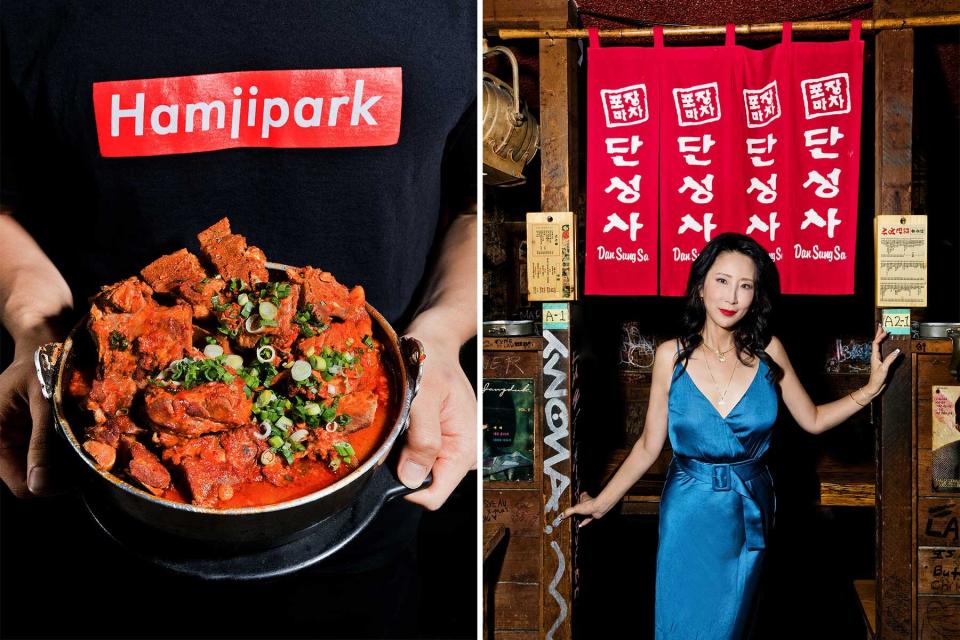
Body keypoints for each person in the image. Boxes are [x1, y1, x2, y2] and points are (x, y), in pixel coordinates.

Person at [0, 2, 476, 637]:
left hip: (360, 509)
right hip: (88, 504)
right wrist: (33, 317)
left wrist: (444, 330)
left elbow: (481, 203)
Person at [561, 232, 901, 639]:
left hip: (749, 508)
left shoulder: (769, 351)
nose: (732, 296)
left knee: (733, 625)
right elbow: (650, 445)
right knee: (682, 623)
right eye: (722, 280)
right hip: (688, 509)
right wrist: (601, 503)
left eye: (745, 286)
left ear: (756, 296)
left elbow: (811, 419)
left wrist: (869, 389)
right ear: (701, 285)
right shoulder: (671, 355)